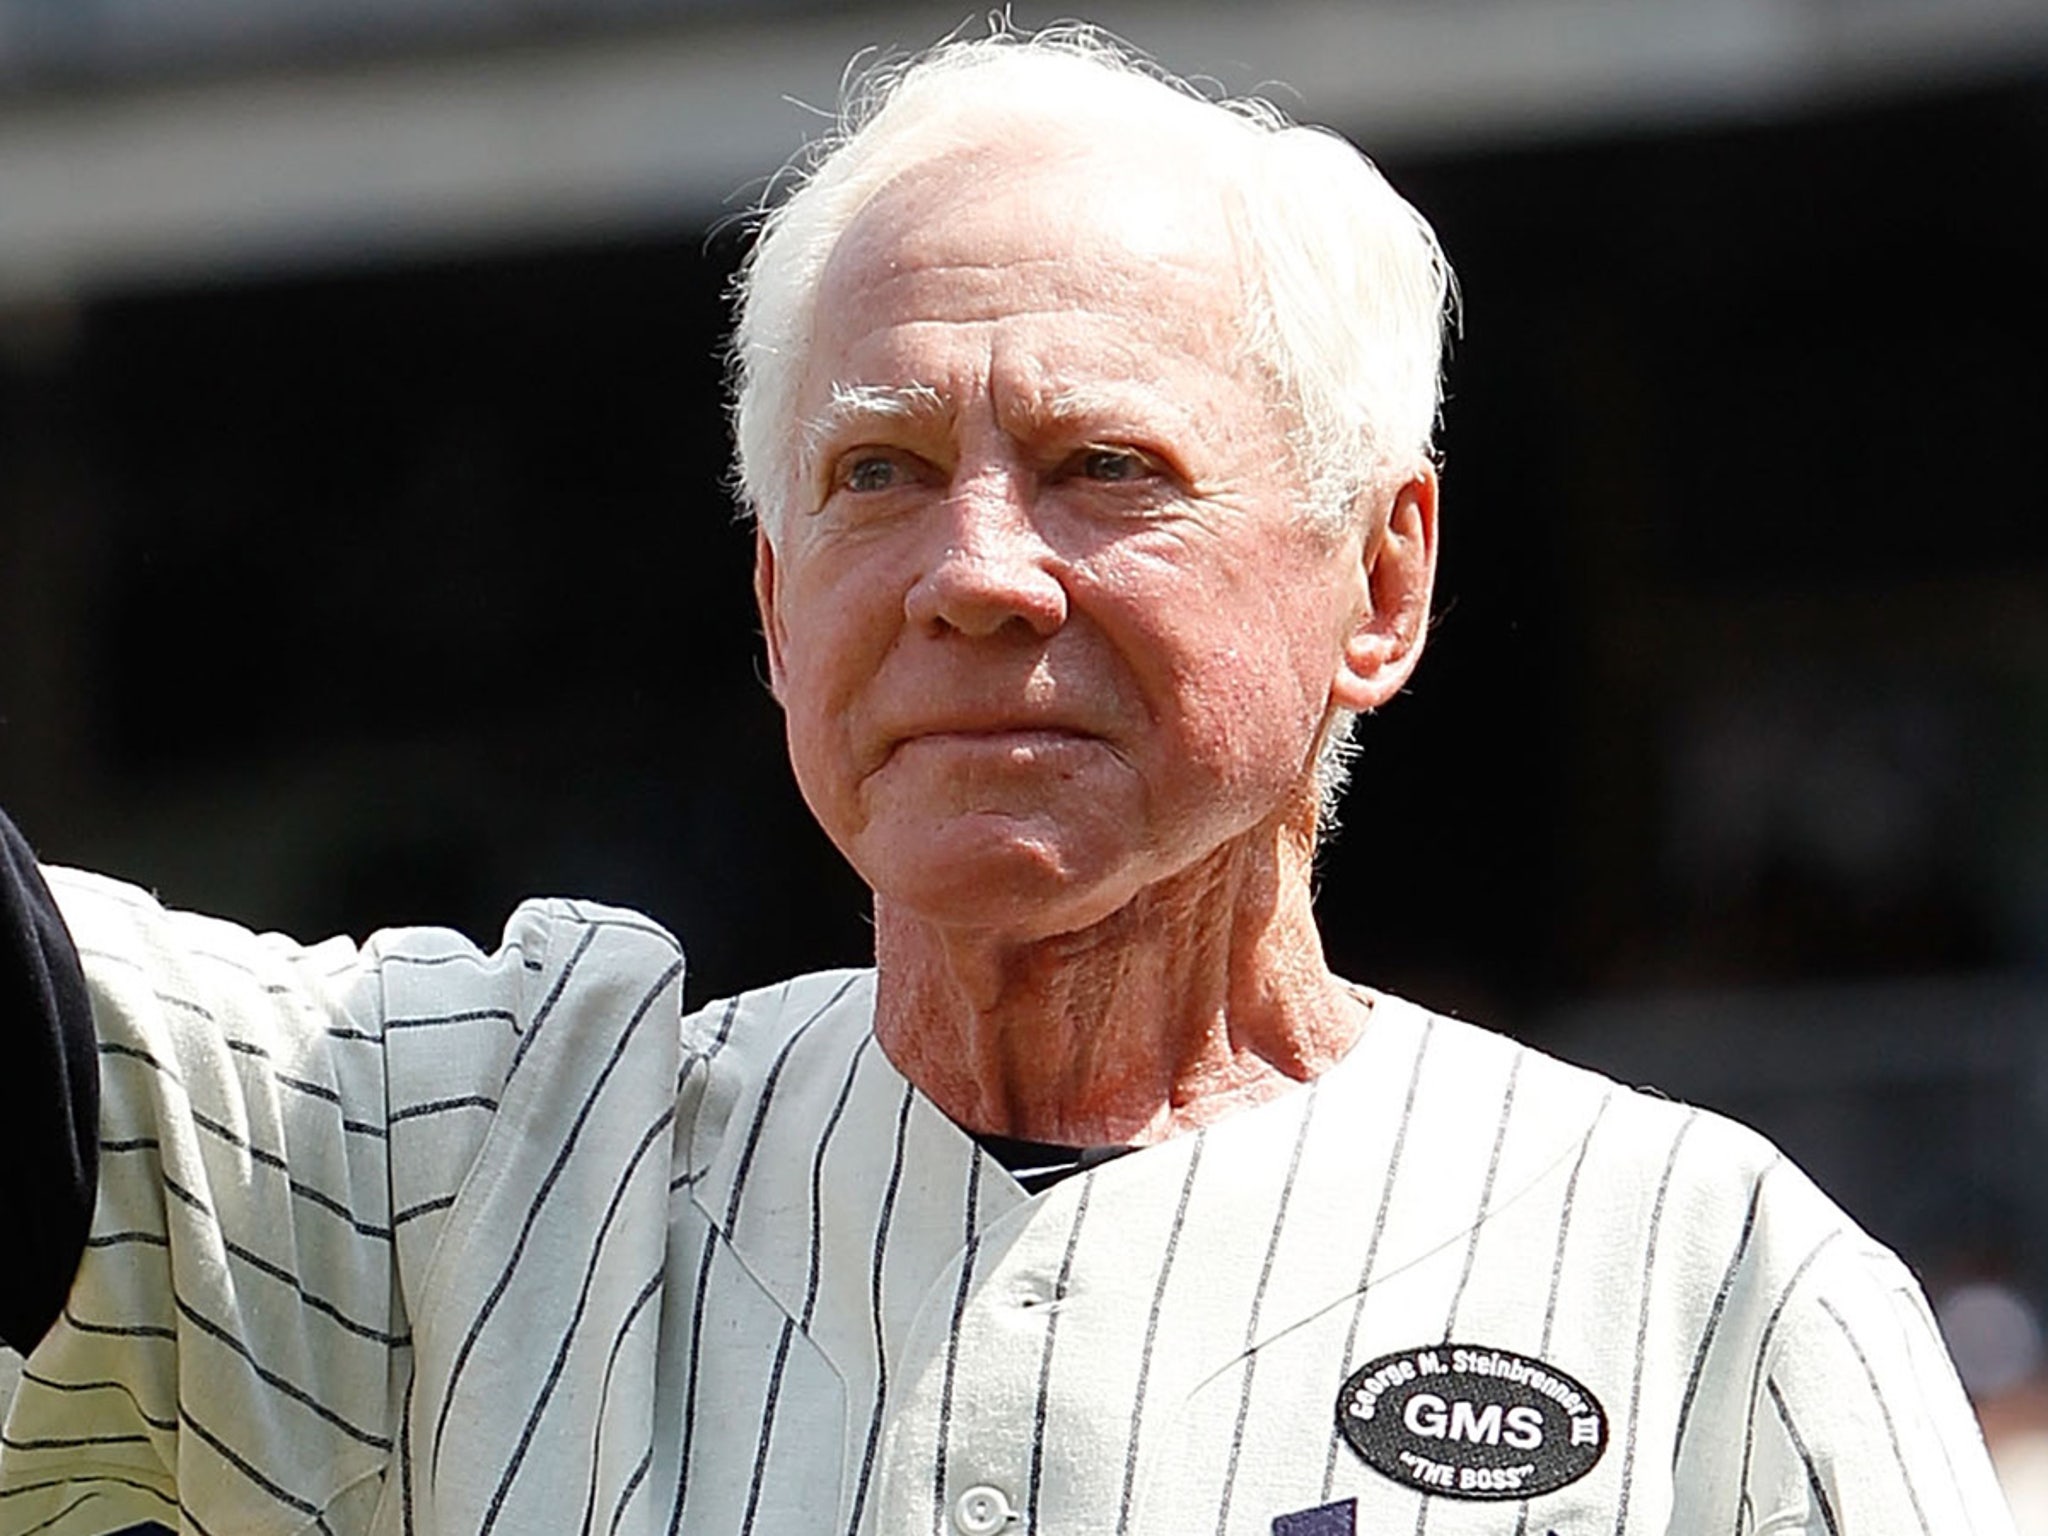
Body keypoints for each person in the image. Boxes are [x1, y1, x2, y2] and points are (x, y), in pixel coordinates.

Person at [0, 23, 2016, 1536]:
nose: (972, 570)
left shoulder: (1702, 1287)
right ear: (780, 608)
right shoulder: (485, 1164)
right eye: (876, 475)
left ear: (1380, 577)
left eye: (1103, 468)